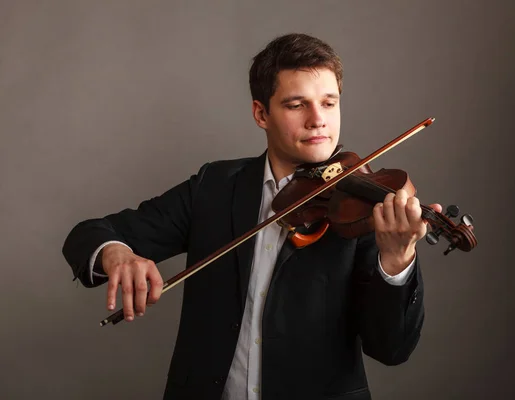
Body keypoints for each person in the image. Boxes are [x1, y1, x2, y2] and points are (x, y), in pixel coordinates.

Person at [62, 33, 442, 400]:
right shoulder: (214, 186)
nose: (317, 120)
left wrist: (395, 260)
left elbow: (392, 348)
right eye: (297, 105)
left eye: (329, 103)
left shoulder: (361, 209)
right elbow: (90, 233)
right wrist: (117, 253)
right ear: (261, 113)